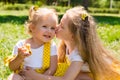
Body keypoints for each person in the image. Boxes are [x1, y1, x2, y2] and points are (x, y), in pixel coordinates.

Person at [24, 6, 120, 80]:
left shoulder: (79, 55)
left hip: (105, 76)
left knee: (79, 78)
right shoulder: (66, 44)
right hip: (83, 74)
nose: (56, 27)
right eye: (60, 23)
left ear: (73, 36)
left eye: (62, 26)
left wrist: (35, 76)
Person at [6, 6, 58, 80]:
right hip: (24, 77)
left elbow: (53, 69)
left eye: (52, 28)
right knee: (13, 77)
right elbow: (12, 67)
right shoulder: (21, 45)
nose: (49, 31)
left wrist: (38, 77)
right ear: (32, 28)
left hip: (42, 77)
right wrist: (19, 57)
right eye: (45, 26)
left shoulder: (51, 46)